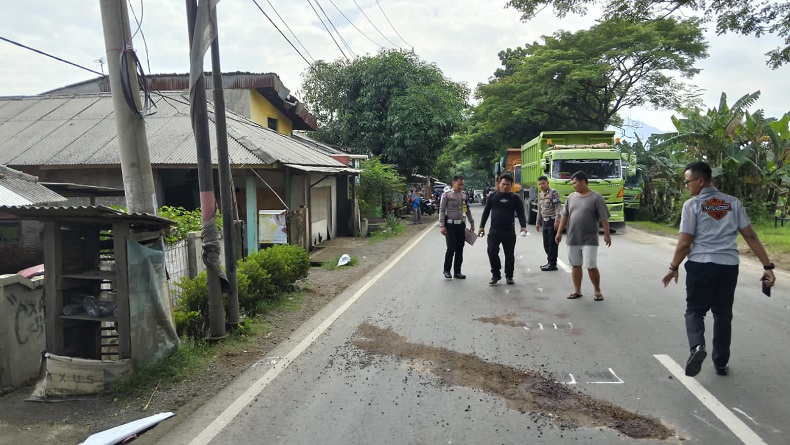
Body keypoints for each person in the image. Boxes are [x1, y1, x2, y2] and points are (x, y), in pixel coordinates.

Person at [661, 161, 776, 377]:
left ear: (700, 181)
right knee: (723, 314)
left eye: (688, 182)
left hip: (700, 265)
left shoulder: (692, 205)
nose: (686, 186)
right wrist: (767, 266)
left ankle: (697, 347)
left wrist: (673, 266)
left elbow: (685, 242)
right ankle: (721, 363)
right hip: (728, 266)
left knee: (695, 310)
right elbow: (750, 235)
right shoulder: (733, 203)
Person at [555, 171, 611, 301]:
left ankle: (597, 290)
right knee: (575, 265)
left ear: (583, 181)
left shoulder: (597, 197)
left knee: (591, 266)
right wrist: (559, 233)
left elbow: (603, 218)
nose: (573, 185)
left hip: (590, 239)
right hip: (573, 238)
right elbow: (565, 216)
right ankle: (577, 290)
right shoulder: (570, 198)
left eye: (575, 183)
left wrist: (607, 235)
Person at [477, 174, 528, 285]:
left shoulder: (515, 198)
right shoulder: (492, 196)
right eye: (503, 184)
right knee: (491, 251)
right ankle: (496, 274)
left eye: (507, 185)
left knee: (509, 254)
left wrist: (523, 226)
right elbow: (486, 212)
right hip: (494, 230)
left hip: (509, 231)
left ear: (511, 185)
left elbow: (521, 213)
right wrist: (481, 226)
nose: (505, 187)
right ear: (498, 184)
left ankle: (509, 276)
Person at [439, 175, 475, 279]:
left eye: (463, 184)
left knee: (460, 249)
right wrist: (442, 226)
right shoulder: (446, 195)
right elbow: (441, 210)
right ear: (453, 183)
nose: (461, 186)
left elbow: (466, 209)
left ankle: (457, 271)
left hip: (461, 225)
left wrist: (471, 223)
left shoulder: (463, 195)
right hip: (450, 225)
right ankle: (446, 270)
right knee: (451, 248)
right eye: (459, 184)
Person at [536, 175, 562, 271]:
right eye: (539, 184)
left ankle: (552, 263)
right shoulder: (541, 194)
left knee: (552, 244)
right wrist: (538, 222)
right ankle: (549, 261)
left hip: (552, 221)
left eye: (543, 183)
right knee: (546, 243)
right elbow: (540, 210)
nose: (541, 185)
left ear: (547, 183)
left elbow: (558, 208)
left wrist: (557, 221)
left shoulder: (553, 193)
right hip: (545, 221)